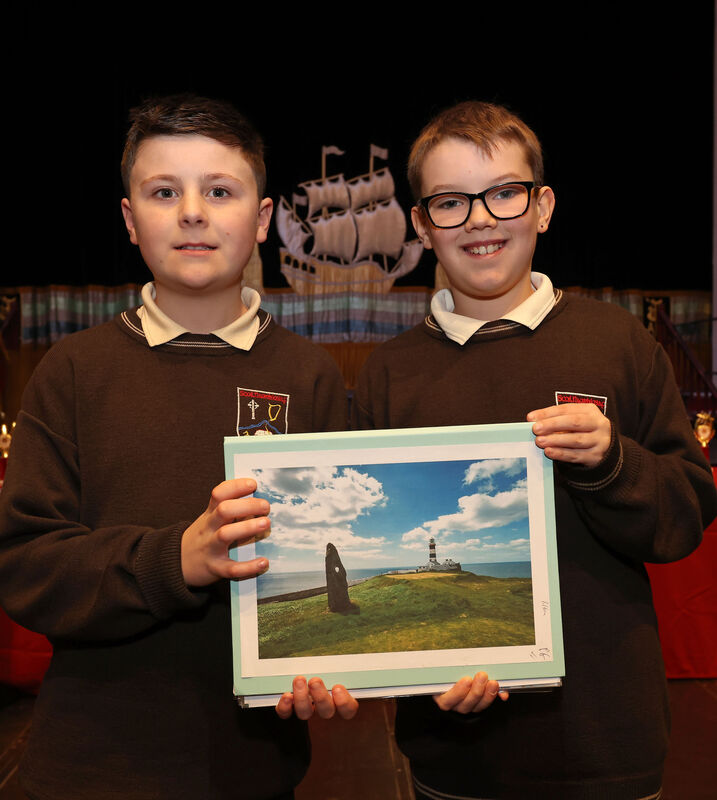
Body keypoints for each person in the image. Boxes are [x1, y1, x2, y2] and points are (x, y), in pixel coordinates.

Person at [352, 100, 717, 800]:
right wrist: (419, 670)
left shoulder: (617, 344)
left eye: (503, 194)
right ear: (423, 226)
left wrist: (614, 461)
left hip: (607, 738)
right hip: (452, 752)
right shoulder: (389, 374)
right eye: (451, 202)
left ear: (542, 206)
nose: (481, 220)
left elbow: (684, 516)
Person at [0, 94, 357, 800]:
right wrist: (178, 560)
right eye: (165, 192)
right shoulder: (72, 371)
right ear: (132, 220)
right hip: (87, 764)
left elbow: (334, 549)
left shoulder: (309, 376)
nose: (192, 211)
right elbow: (24, 567)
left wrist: (330, 666)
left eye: (219, 191)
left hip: (253, 765)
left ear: (260, 221)